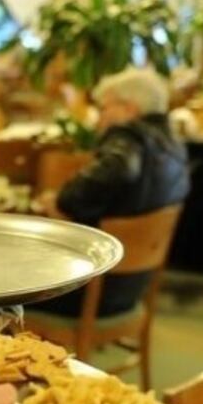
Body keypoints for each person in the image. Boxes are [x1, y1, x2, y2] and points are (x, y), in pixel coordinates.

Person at [33, 68, 189, 317]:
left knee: (1, 282)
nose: (99, 118)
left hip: (91, 288)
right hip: (133, 287)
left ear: (129, 109)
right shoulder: (173, 143)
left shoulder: (129, 136)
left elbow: (117, 169)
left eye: (104, 108)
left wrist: (62, 201)